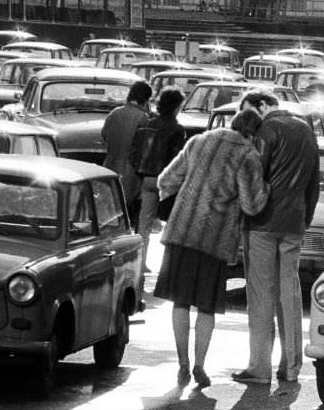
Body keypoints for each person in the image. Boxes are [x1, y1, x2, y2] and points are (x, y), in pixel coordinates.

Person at [155, 107, 268, 388]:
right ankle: (199, 366)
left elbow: (165, 180)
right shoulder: (248, 155)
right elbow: (252, 204)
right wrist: (267, 188)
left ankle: (181, 363)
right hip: (215, 240)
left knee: (180, 301)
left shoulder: (198, 142)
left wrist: (182, 200)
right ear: (254, 133)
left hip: (181, 232)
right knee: (206, 306)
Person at [232, 91, 320, 385]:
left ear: (262, 106)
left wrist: (247, 212)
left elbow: (254, 177)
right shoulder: (307, 130)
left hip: (262, 223)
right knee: (290, 295)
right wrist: (303, 219)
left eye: (249, 111)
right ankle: (292, 366)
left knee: (260, 296)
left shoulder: (265, 130)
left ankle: (259, 367)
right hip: (294, 219)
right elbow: (313, 184)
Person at [130, 86, 187, 274]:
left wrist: (141, 172)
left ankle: (140, 262)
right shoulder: (177, 129)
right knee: (172, 225)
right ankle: (168, 268)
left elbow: (134, 153)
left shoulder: (147, 124)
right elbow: (177, 160)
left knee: (143, 225)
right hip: (168, 182)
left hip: (146, 178)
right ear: (177, 106)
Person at [102, 80, 152, 230]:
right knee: (127, 214)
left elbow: (104, 135)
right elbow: (143, 148)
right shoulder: (143, 118)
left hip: (109, 166)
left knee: (109, 212)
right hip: (130, 171)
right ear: (146, 99)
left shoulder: (114, 113)